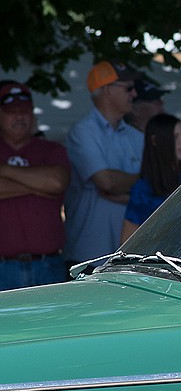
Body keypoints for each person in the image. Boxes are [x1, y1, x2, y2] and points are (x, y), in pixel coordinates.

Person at [64, 61, 144, 264]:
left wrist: (127, 188)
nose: (134, 94)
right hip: (89, 257)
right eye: (129, 88)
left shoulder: (136, 136)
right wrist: (140, 181)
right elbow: (106, 181)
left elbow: (150, 187)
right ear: (108, 90)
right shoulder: (82, 132)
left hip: (130, 257)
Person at [0, 82, 70, 289]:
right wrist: (38, 184)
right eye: (12, 112)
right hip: (3, 267)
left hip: (48, 264)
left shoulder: (51, 149)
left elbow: (56, 182)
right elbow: (50, 184)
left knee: (54, 322)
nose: (20, 117)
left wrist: (4, 170)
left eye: (25, 111)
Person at [122, 114, 181, 242]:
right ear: (155, 140)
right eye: (175, 136)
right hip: (163, 258)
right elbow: (127, 241)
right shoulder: (143, 189)